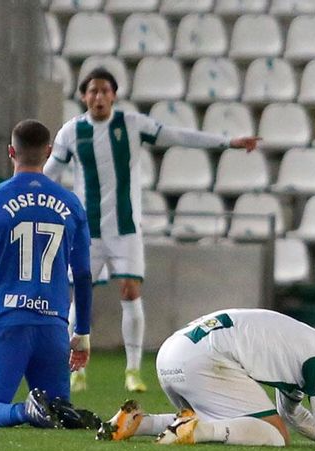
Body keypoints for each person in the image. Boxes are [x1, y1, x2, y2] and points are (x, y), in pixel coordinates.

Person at [44, 68, 261, 393]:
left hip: (126, 229)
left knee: (131, 290)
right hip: (86, 230)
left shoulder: (132, 125)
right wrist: (26, 183)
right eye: (92, 91)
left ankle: (132, 370)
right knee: (80, 297)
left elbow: (178, 136)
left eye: (104, 91)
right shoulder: (71, 132)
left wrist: (227, 142)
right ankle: (76, 369)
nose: (98, 97)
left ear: (114, 95)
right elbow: (50, 173)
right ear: (83, 96)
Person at [0, 119, 94, 428]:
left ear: (11, 151)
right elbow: (82, 275)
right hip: (54, 326)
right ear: (49, 152)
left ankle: (24, 412)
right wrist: (81, 332)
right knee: (56, 411)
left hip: (8, 319)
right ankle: (55, 410)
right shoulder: (71, 204)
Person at [97, 308, 315, 449]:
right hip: (205, 359)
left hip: (172, 354)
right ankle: (197, 431)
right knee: (274, 437)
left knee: (236, 420)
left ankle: (137, 422)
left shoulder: (302, 351)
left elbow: (297, 418)